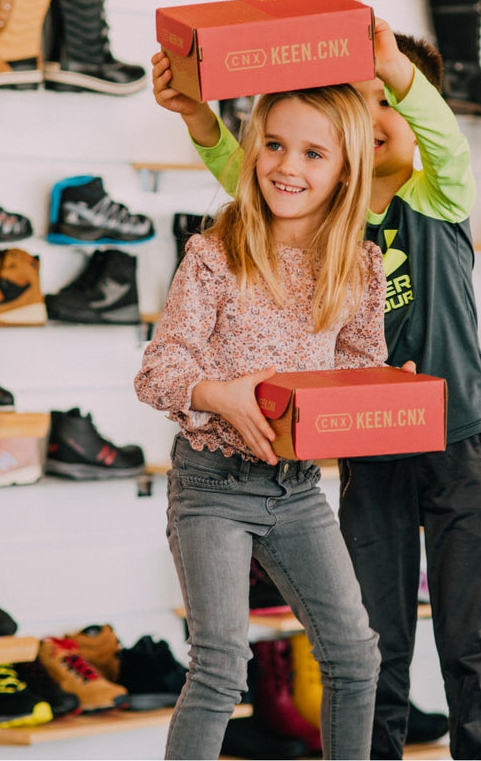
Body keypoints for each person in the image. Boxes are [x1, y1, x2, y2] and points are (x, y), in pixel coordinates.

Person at [151, 0, 481, 759]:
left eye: (389, 102)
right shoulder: (319, 221)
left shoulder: (434, 200)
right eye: (362, 100)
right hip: (353, 451)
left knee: (473, 640)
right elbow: (254, 170)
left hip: (455, 438)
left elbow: (442, 146)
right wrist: (201, 119)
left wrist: (393, 68)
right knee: (365, 643)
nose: (374, 111)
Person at [134, 82, 388, 760]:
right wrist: (219, 393)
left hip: (297, 490)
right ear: (252, 152)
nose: (288, 166)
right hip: (212, 485)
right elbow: (157, 371)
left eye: (312, 153)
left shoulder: (358, 264)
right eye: (274, 145)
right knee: (220, 665)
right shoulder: (216, 254)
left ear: (344, 169)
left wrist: (383, 390)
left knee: (356, 657)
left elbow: (361, 369)